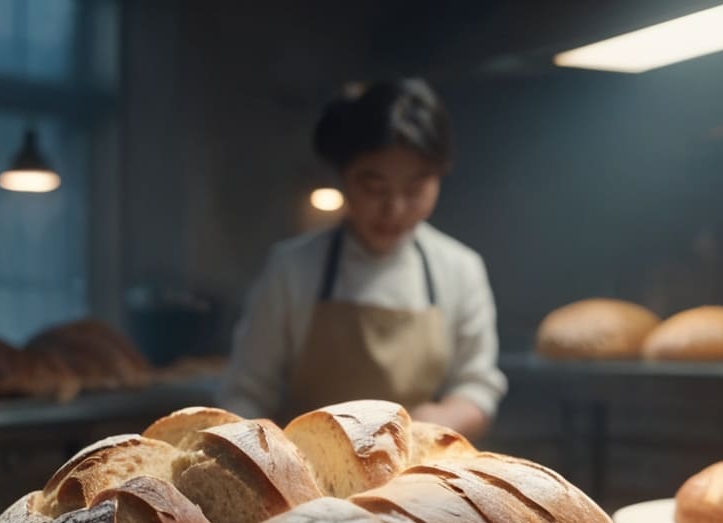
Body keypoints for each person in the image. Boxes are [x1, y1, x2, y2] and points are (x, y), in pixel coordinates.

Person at [215, 78, 507, 438]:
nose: (394, 209)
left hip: (414, 476)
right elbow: (245, 394)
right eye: (375, 188)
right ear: (344, 177)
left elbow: (477, 387)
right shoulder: (293, 269)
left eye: (414, 190)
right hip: (310, 480)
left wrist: (439, 420)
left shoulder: (459, 269)